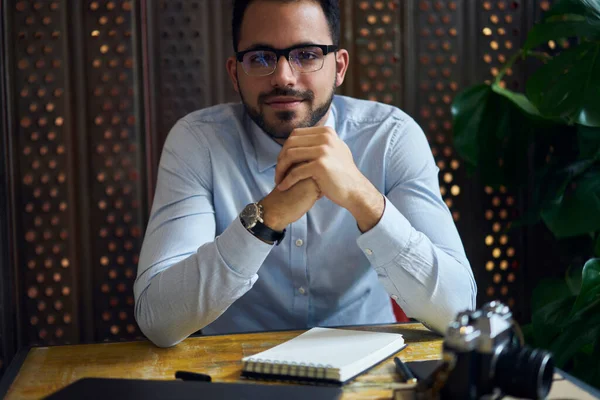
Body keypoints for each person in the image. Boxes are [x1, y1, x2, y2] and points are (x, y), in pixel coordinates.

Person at [134, 0, 476, 348]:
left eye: (307, 54)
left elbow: (458, 311)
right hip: (232, 370)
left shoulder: (390, 138)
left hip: (373, 367)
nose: (283, 77)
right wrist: (269, 217)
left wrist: (363, 198)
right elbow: (158, 321)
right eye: (260, 58)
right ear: (235, 73)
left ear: (339, 67)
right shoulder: (197, 142)